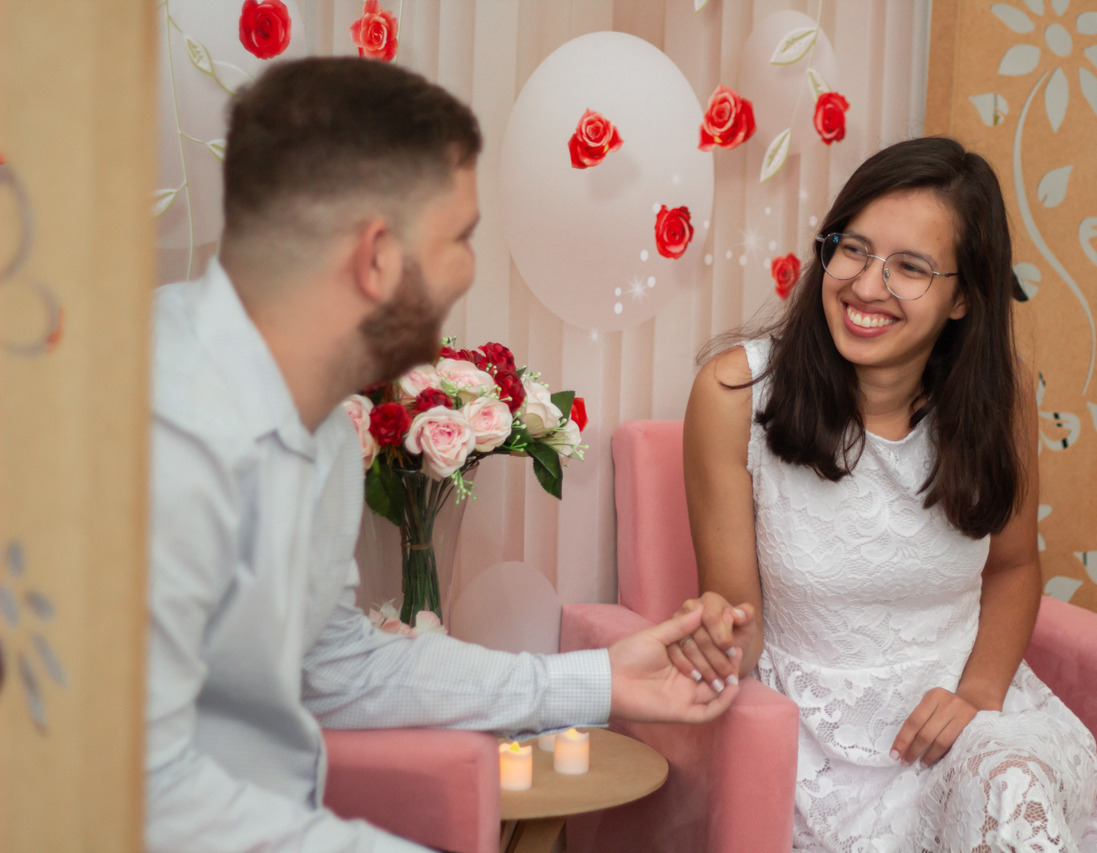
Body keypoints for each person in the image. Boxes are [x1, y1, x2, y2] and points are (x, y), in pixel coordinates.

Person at [146, 57, 743, 853]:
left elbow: (339, 668)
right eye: (460, 237)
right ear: (378, 257)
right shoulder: (152, 431)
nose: (467, 268)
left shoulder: (320, 425)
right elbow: (137, 790)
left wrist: (596, 680)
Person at [666, 137, 1097, 851]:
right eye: (853, 249)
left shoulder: (1001, 396)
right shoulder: (734, 395)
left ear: (962, 297)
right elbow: (740, 630)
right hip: (825, 764)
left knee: (1010, 789)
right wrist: (713, 637)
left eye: (910, 267)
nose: (866, 285)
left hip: (979, 727)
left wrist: (979, 698)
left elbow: (1014, 567)